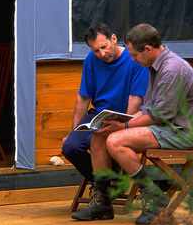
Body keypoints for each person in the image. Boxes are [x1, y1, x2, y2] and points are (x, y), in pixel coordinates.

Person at [71, 23, 193, 224]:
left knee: (116, 140)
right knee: (101, 134)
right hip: (163, 126)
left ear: (148, 50)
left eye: (135, 55)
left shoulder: (171, 69)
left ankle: (153, 196)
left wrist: (123, 126)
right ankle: (102, 202)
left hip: (179, 132)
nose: (132, 59)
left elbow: (159, 115)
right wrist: (118, 121)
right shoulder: (155, 66)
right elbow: (148, 109)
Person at [63, 23, 148, 215]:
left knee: (101, 139)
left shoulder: (134, 59)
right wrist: (73, 131)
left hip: (123, 117)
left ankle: (101, 196)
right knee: (70, 147)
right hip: (98, 115)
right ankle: (109, 185)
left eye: (104, 47)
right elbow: (83, 97)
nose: (101, 53)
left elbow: (135, 99)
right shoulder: (91, 61)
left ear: (114, 39)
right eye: (96, 50)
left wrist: (123, 127)